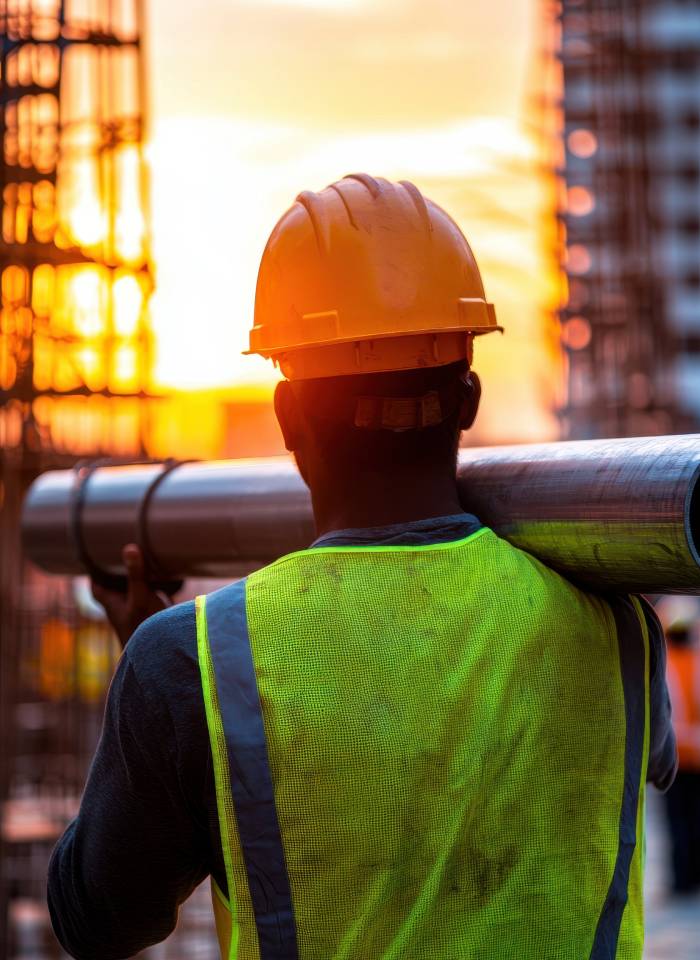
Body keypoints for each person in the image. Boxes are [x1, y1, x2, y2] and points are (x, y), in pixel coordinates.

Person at [48, 174, 677, 960]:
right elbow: (647, 763)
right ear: (470, 398)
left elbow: (96, 922)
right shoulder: (617, 632)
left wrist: (165, 686)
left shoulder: (195, 664)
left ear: (286, 416)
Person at [656, 597, 700, 894]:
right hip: (695, 757)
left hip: (675, 758)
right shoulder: (697, 662)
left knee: (678, 821)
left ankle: (683, 878)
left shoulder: (665, 663)